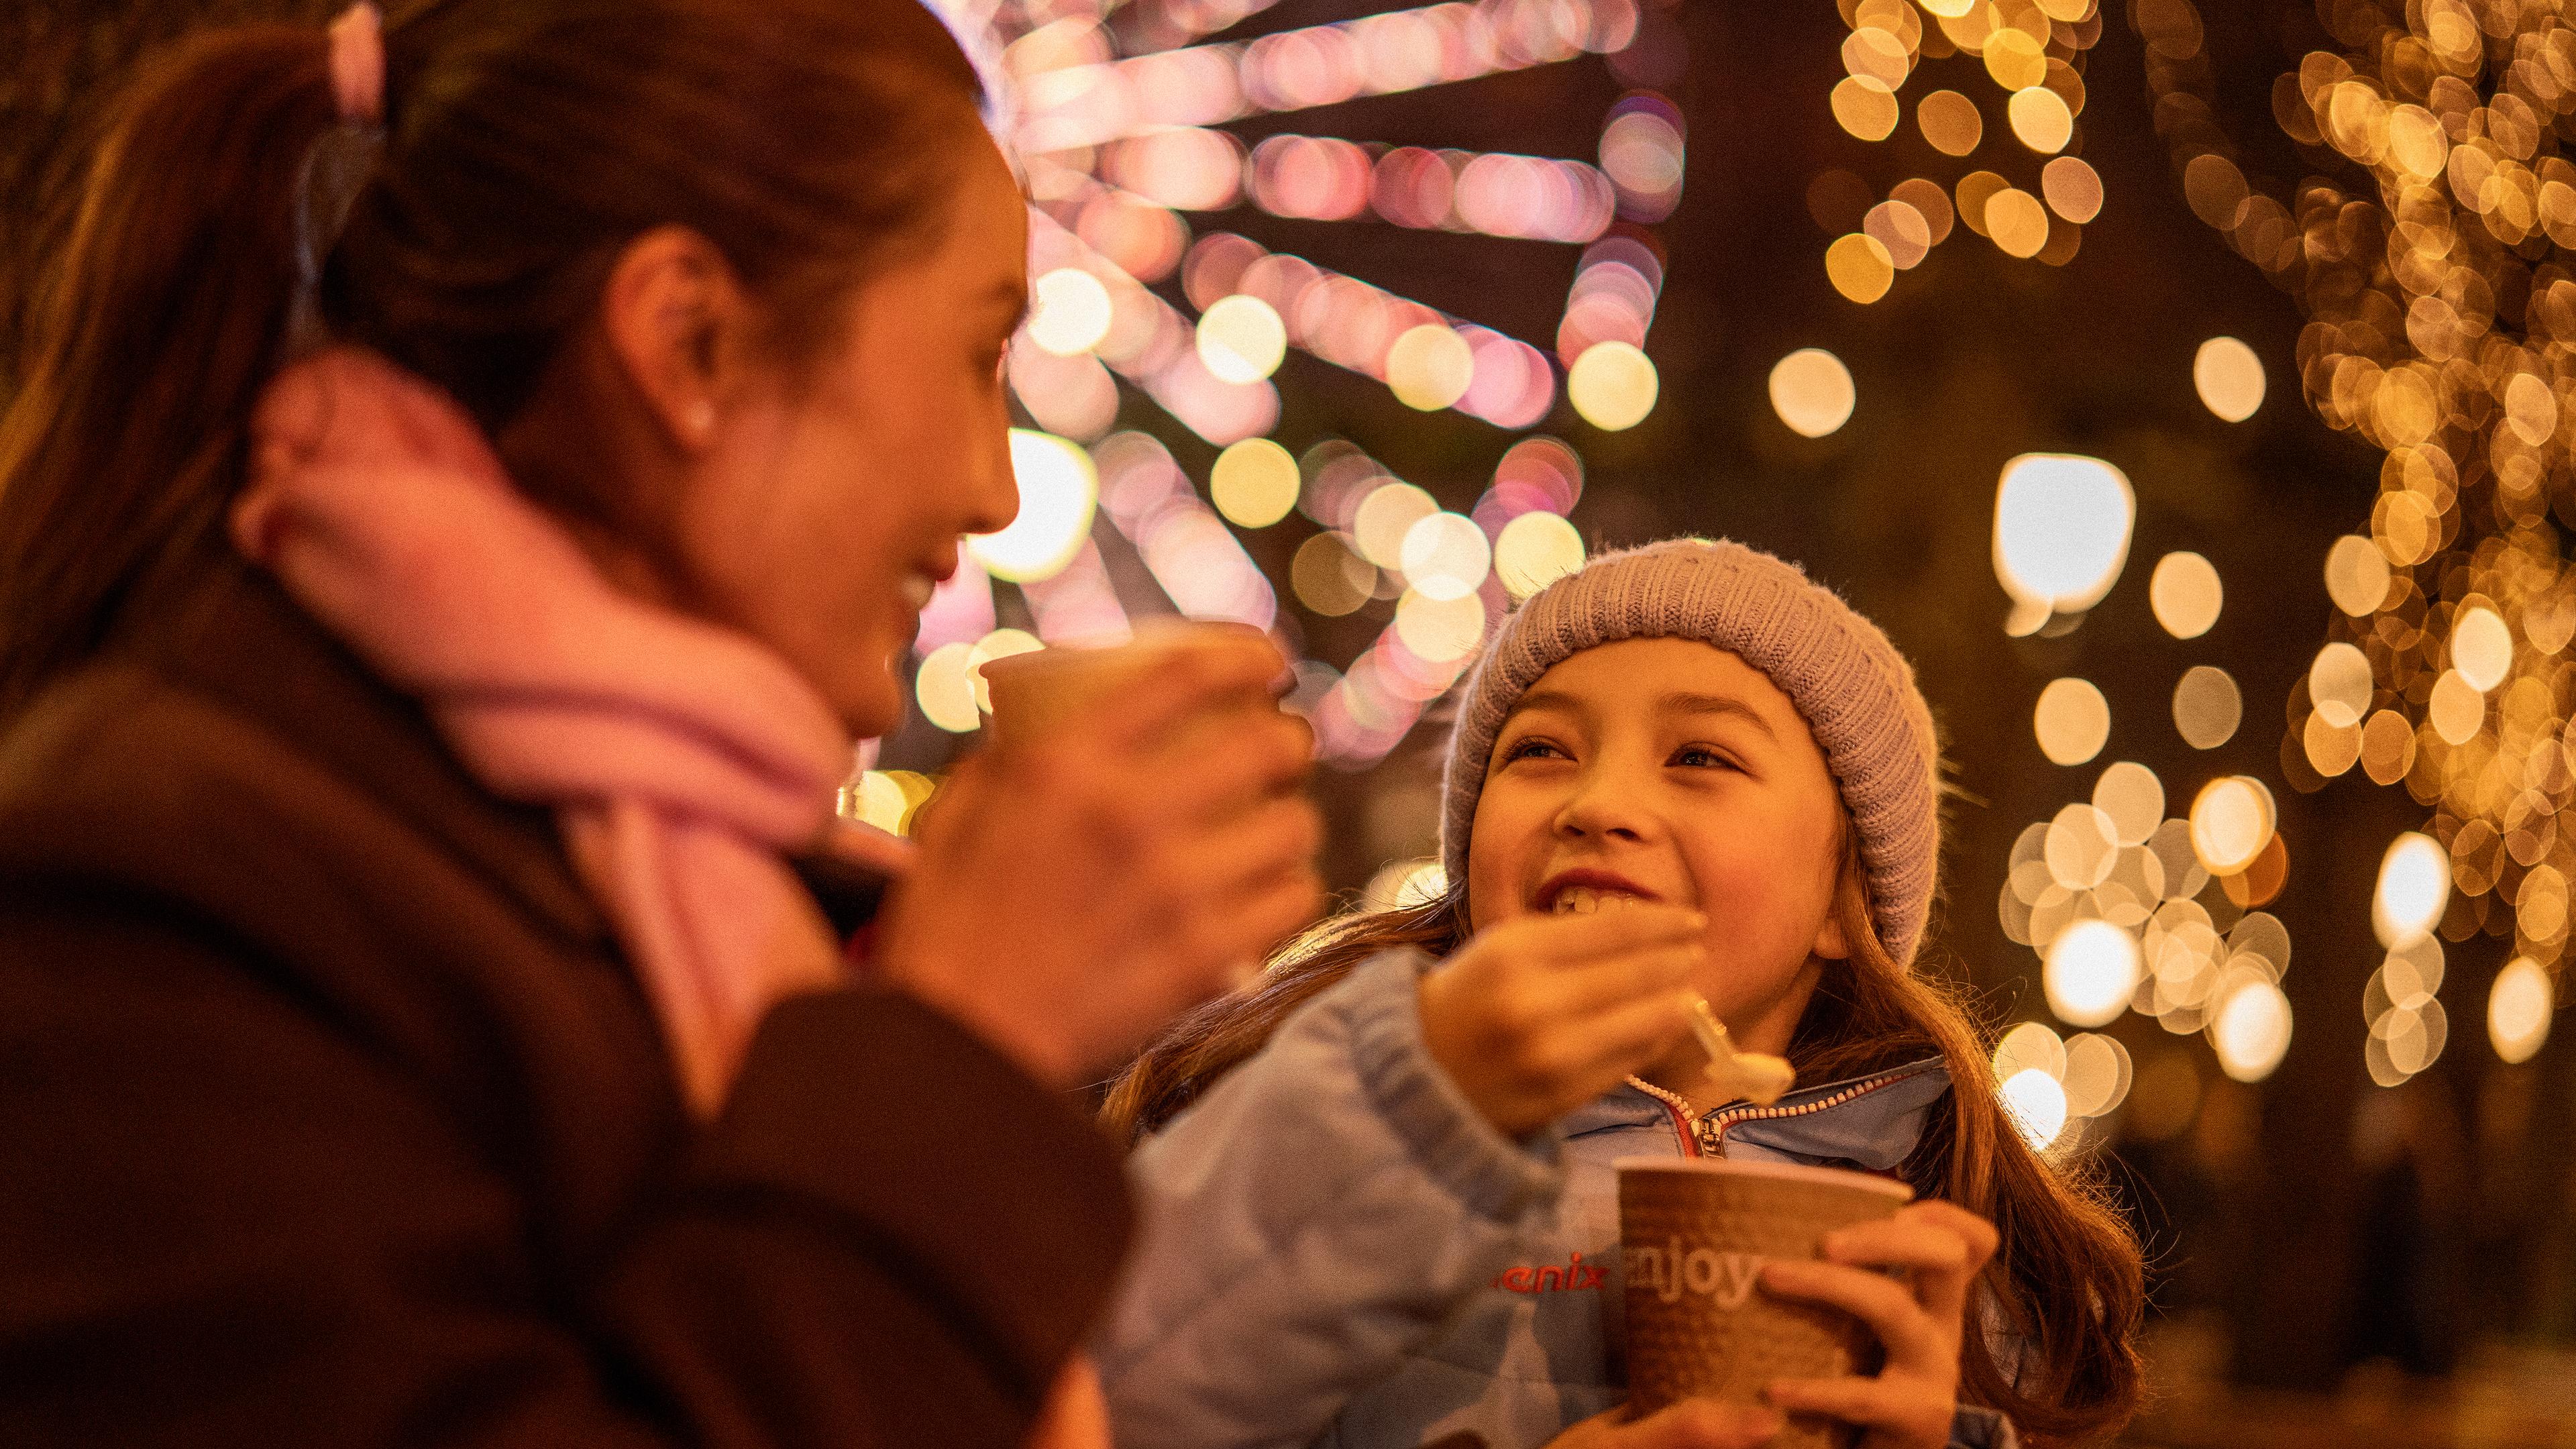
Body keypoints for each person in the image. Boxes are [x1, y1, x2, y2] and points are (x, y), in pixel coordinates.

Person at [0, 3, 1321, 1445]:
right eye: (971, 357)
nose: (995, 491)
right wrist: (961, 1045)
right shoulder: (171, 892)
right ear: (686, 342)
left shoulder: (659, 873)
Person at [1097, 539, 2147, 1449]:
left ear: (1844, 901)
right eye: (1542, 750)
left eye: (1699, 756)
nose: (1598, 805)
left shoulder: (1953, 1220)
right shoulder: (1327, 1137)